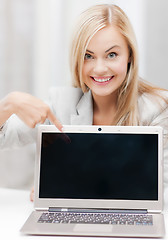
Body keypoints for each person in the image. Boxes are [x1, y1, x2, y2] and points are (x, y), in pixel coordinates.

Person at [0, 4, 168, 202]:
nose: (99, 68)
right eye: (88, 56)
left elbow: (161, 190)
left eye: (111, 54)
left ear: (130, 55)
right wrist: (7, 106)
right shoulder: (61, 105)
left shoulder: (158, 109)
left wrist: (61, 187)